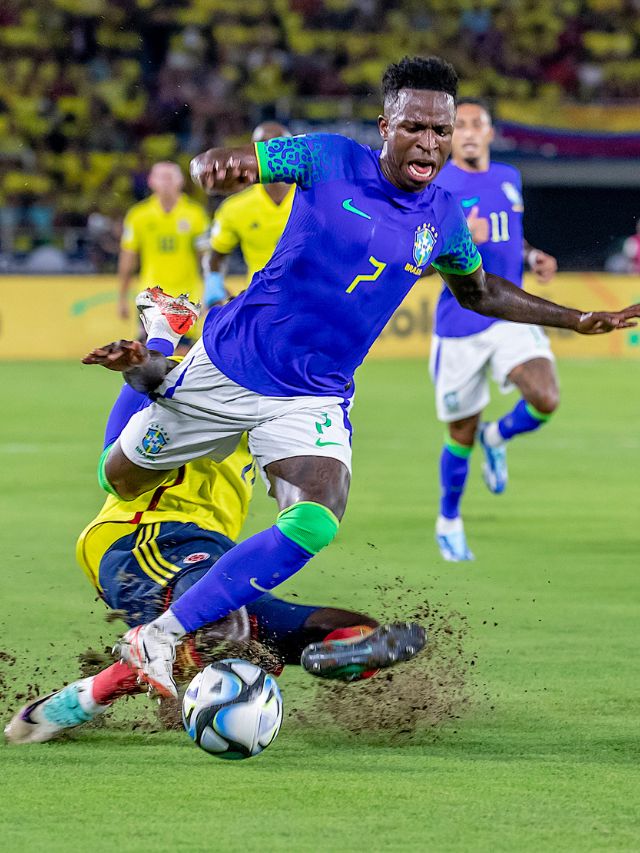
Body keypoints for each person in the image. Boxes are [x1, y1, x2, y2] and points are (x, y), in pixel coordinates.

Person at [94, 56, 637, 700]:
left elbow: (481, 290)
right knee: (119, 478)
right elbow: (238, 161)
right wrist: (217, 165)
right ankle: (161, 341)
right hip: (230, 365)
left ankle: (159, 636)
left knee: (316, 519)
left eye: (439, 131)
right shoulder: (328, 157)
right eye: (416, 128)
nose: (429, 143)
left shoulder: (442, 217)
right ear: (386, 126)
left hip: (313, 394)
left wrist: (577, 319)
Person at [5, 292, 424, 745]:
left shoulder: (290, 402)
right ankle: (90, 695)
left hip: (214, 561)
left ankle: (314, 654)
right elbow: (120, 452)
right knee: (228, 631)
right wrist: (161, 344)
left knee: (344, 629)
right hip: (141, 537)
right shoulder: (203, 376)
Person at [430, 99, 559, 561]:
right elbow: (419, 261)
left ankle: (499, 435)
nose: (466, 132)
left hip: (511, 314)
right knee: (460, 431)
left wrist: (531, 257)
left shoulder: (508, 177)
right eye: (458, 125)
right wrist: (459, 240)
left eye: (475, 124)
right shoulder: (438, 184)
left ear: (488, 133)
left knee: (546, 397)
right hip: (460, 322)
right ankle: (449, 519)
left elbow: (511, 234)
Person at [205, 121, 296, 306]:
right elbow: (216, 256)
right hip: (260, 305)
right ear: (253, 153)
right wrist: (214, 287)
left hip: (311, 307)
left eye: (280, 145)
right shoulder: (235, 208)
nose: (273, 153)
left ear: (293, 150)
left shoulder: (315, 197)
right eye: (264, 147)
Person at [118, 162, 210, 320]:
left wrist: (209, 295)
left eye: (170, 177)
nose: (166, 182)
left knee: (185, 345)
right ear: (151, 181)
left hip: (187, 298)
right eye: (161, 177)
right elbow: (128, 258)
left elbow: (207, 258)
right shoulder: (138, 216)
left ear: (181, 181)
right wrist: (122, 298)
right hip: (151, 297)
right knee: (151, 344)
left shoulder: (196, 215)